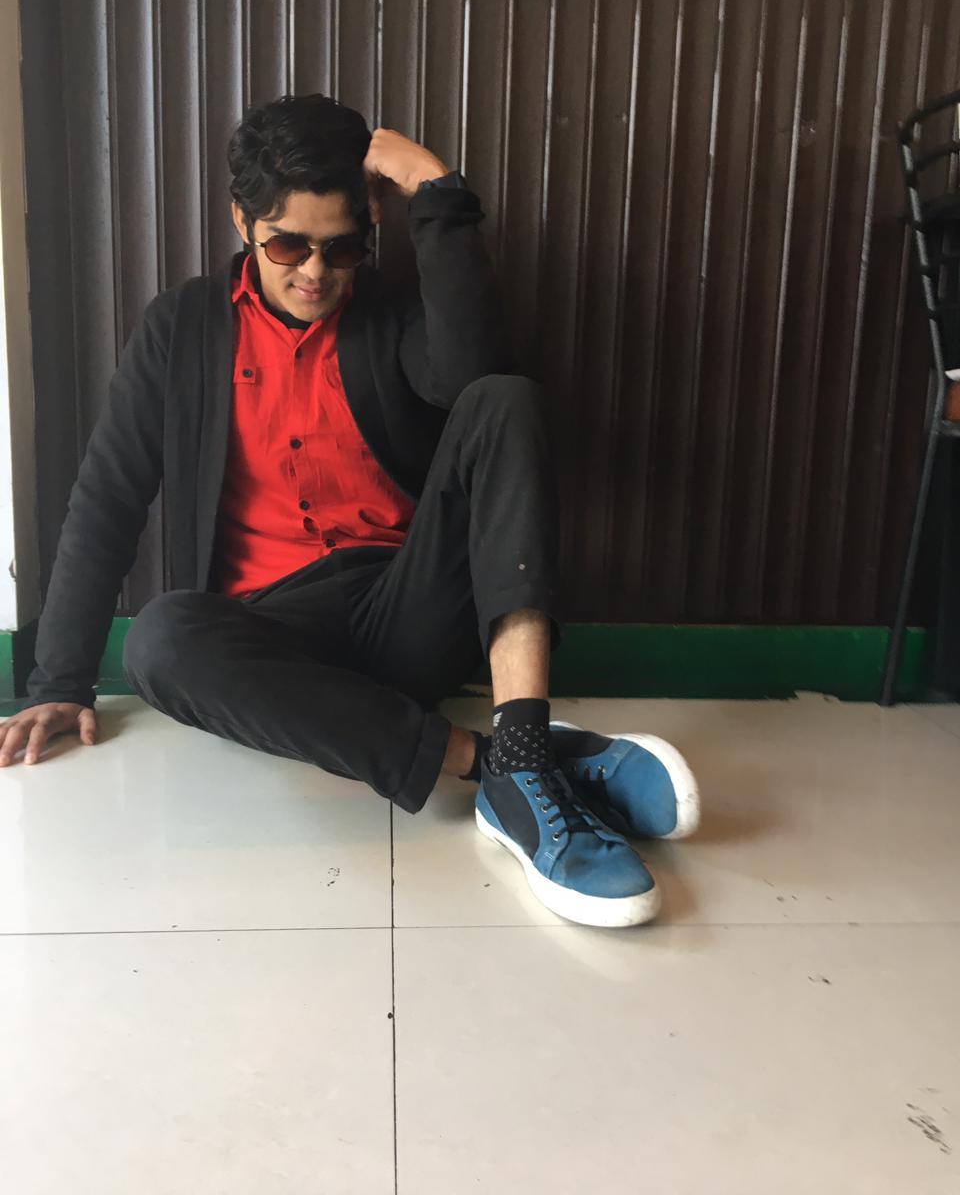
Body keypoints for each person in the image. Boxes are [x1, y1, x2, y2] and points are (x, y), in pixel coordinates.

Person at [0, 93, 699, 928]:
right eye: (287, 245)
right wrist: (60, 680)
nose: (315, 272)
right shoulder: (181, 328)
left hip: (407, 609)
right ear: (241, 220)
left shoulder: (391, 316)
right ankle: (510, 764)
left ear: (368, 229)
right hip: (274, 642)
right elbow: (109, 496)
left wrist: (435, 189)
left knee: (506, 399)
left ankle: (521, 751)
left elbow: (474, 375)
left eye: (341, 247)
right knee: (158, 639)